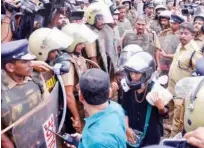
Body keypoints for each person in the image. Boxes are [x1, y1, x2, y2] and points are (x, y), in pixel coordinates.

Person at [1, 39, 49, 148]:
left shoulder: (36, 77)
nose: (31, 64)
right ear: (10, 67)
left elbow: (47, 105)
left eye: (30, 60)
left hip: (41, 137)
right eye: (25, 62)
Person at [66, 68, 127, 148]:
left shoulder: (96, 141)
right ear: (109, 92)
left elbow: (99, 140)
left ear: (81, 97)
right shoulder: (116, 108)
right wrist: (83, 141)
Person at [121, 51, 168, 147]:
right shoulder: (128, 89)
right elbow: (124, 110)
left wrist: (161, 108)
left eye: (137, 73)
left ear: (147, 74)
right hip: (132, 132)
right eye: (131, 72)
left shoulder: (156, 89)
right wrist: (126, 128)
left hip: (152, 135)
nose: (133, 76)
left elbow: (165, 114)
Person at [167, 22, 203, 137]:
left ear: (192, 35)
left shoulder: (194, 51)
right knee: (171, 114)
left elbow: (199, 73)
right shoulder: (180, 45)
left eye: (186, 33)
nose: (182, 35)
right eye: (181, 33)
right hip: (172, 88)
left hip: (182, 94)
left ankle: (173, 140)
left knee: (178, 121)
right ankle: (169, 134)